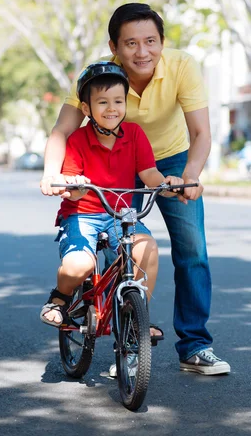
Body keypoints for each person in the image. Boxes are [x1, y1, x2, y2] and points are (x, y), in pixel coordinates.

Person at [41, 3, 231, 376]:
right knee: (117, 248)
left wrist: (188, 177)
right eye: (131, 43)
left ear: (162, 42)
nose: (142, 52)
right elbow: (62, 130)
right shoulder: (96, 77)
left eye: (151, 41)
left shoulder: (182, 66)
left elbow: (201, 133)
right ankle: (125, 336)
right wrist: (52, 175)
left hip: (169, 162)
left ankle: (194, 346)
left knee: (192, 250)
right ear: (114, 46)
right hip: (113, 160)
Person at [40, 61, 183, 343]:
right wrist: (73, 186)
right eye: (102, 102)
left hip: (121, 215)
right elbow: (72, 187)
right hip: (83, 214)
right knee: (79, 266)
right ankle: (59, 298)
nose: (111, 108)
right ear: (86, 109)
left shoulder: (135, 135)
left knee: (147, 250)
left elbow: (150, 175)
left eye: (118, 101)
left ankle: (136, 319)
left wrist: (168, 185)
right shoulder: (78, 140)